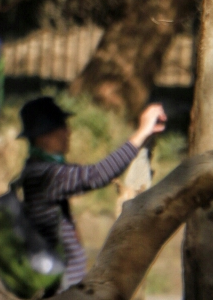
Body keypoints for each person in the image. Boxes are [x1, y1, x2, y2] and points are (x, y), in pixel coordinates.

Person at [16, 96, 167, 289]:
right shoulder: (46, 175)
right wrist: (141, 132)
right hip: (59, 291)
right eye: (62, 126)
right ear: (44, 135)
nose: (68, 132)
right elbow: (97, 175)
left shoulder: (39, 169)